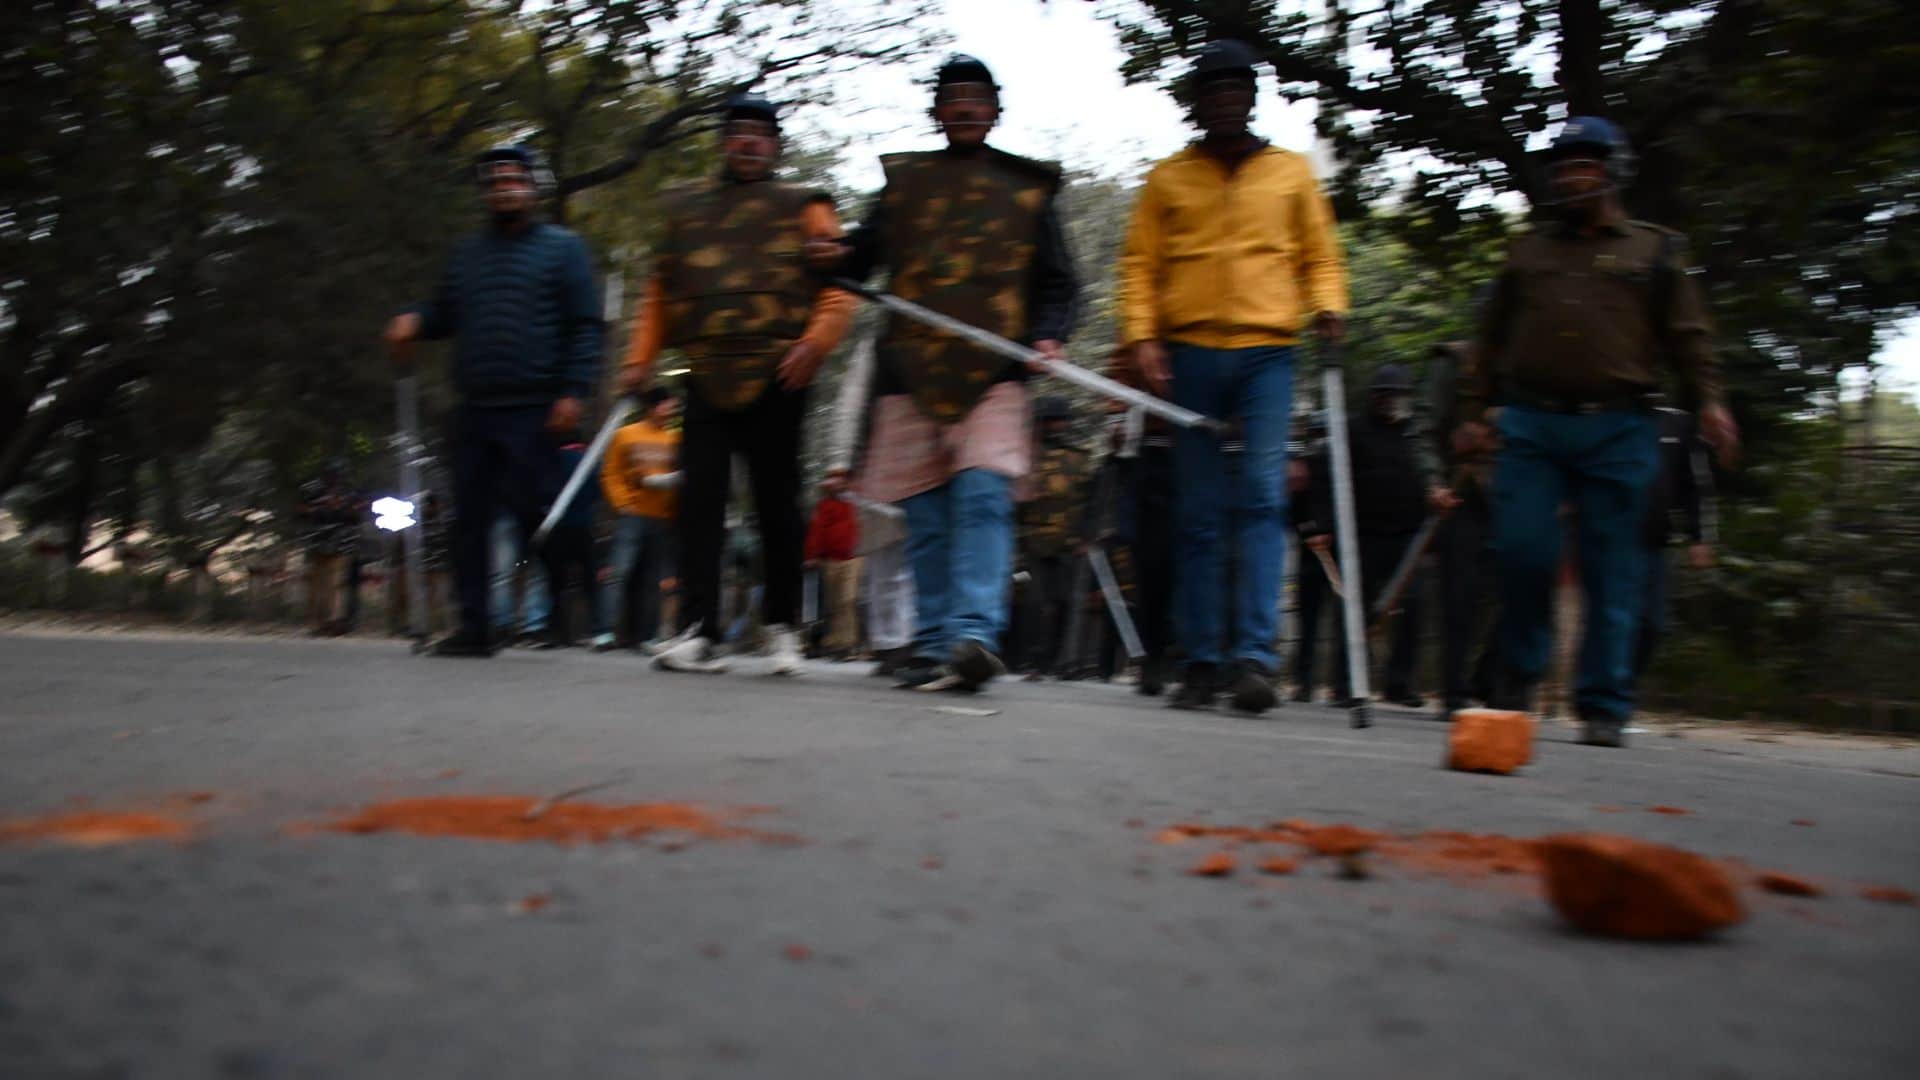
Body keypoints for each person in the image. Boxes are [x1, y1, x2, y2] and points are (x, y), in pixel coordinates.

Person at [1455, 115, 1739, 747]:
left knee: (1614, 565)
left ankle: (1604, 701)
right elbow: (1489, 340)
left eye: (1584, 163)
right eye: (1562, 165)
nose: (1571, 175)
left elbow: (1690, 337)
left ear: (1613, 172)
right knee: (1522, 550)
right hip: (1531, 420)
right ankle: (1518, 675)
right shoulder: (1526, 251)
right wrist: (1473, 414)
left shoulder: (1655, 250)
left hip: (1619, 424)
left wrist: (1713, 403)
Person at [807, 54, 1080, 694]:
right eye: (951, 98)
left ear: (995, 110)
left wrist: (1049, 334)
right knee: (926, 519)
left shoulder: (1028, 189)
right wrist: (832, 255)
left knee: (984, 498)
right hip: (912, 372)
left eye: (975, 98)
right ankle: (933, 644)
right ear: (935, 112)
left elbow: (1060, 282)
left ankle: (973, 637)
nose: (963, 108)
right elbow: (862, 258)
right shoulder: (904, 185)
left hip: (995, 369)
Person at [1116, 39, 1349, 714]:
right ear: (1196, 104)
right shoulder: (1168, 178)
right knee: (1196, 513)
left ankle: (1253, 658)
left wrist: (1330, 306)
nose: (1223, 99)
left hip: (1267, 354)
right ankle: (1200, 660)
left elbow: (1321, 257)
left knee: (1260, 499)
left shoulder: (1291, 173)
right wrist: (1142, 337)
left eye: (1234, 89)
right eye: (1210, 90)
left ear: (1251, 97)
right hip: (1188, 353)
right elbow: (1139, 268)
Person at [621, 94, 853, 675]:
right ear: (723, 142)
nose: (748, 143)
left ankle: (782, 629)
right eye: (737, 133)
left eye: (759, 134)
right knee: (699, 502)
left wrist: (815, 343)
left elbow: (839, 284)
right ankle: (698, 629)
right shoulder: (688, 209)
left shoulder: (807, 206)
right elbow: (660, 291)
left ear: (775, 145)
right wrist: (639, 356)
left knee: (777, 505)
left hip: (781, 370)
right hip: (705, 370)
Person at [383, 143, 603, 658]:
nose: (506, 188)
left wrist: (574, 390)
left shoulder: (564, 248)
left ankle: (562, 613)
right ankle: (475, 626)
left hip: (538, 406)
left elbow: (585, 326)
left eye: (515, 179)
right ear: (485, 192)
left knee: (538, 516)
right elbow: (444, 312)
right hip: (478, 405)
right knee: (470, 519)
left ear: (533, 187)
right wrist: (414, 321)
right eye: (496, 181)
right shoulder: (466, 255)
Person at [1306, 364, 1454, 709]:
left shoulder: (1416, 436)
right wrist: (1322, 525)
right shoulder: (1352, 431)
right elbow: (1325, 479)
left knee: (1414, 605)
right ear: (1374, 397)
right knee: (1353, 610)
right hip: (1361, 536)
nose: (1391, 402)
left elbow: (1431, 476)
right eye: (1385, 394)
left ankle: (1400, 683)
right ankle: (1346, 684)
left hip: (1408, 539)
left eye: (1397, 395)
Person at [1429, 341, 1500, 719]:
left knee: (1525, 588)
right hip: (1463, 494)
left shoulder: (1543, 366)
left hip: (1518, 494)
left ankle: (1493, 683)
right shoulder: (1456, 364)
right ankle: (1454, 690)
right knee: (1460, 597)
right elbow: (1426, 430)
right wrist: (1433, 482)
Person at [596, 387, 681, 651]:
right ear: (653, 406)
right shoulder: (625, 434)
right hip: (631, 515)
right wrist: (622, 503)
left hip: (660, 517)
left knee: (652, 579)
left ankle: (647, 636)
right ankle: (605, 631)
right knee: (619, 573)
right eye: (668, 405)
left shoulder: (674, 439)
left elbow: (681, 475)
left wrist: (671, 509)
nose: (671, 410)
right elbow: (610, 473)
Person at [1634, 405, 1715, 680]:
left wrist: (1699, 537)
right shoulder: (1605, 417)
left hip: (1654, 540)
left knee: (1653, 624)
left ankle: (1621, 691)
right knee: (1611, 620)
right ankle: (1600, 699)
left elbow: (1696, 485)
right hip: (1606, 538)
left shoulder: (1677, 423)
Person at [1016, 396, 1092, 679]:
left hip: (1069, 541)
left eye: (1057, 420)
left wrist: (1087, 536)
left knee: (1065, 601)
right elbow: (1018, 502)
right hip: (1035, 540)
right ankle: (1036, 662)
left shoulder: (1078, 458)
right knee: (1035, 603)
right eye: (1048, 420)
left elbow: (1090, 500)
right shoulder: (1027, 457)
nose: (1053, 426)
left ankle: (1063, 661)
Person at [535, 426, 604, 648]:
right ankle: (595, 629)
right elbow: (596, 492)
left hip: (557, 527)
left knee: (556, 582)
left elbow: (543, 490)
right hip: (583, 526)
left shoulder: (551, 461)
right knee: (588, 582)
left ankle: (558, 632)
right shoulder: (588, 462)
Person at [296, 459, 361, 636]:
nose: (335, 478)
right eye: (332, 474)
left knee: (336, 584)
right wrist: (320, 510)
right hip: (318, 542)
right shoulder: (312, 489)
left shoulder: (349, 492)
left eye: (338, 475)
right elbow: (301, 510)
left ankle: (333, 622)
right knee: (317, 586)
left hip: (340, 544)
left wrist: (341, 509)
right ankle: (316, 623)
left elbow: (357, 514)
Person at [803, 475, 862, 658]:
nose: (837, 484)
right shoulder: (823, 506)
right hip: (830, 560)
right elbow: (816, 531)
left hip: (854, 557)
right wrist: (811, 556)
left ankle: (849, 643)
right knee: (834, 603)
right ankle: (837, 642)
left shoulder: (857, 502)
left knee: (848, 600)